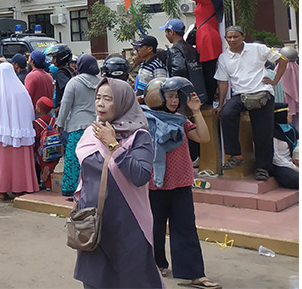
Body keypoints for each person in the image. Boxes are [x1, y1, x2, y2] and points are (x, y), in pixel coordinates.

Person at [73, 78, 159, 288]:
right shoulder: (91, 132)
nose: (100, 103)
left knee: (131, 280)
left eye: (108, 99)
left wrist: (113, 144)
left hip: (128, 222)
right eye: (98, 98)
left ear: (122, 102)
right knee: (95, 280)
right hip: (95, 222)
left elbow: (140, 175)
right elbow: (87, 174)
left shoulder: (139, 136)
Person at [147, 77, 219, 289]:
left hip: (181, 183)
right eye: (169, 96)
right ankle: (157, 264)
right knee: (154, 228)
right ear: (156, 97)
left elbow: (203, 138)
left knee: (186, 228)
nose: (174, 100)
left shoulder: (180, 119)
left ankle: (195, 273)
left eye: (176, 96)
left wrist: (196, 111)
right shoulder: (146, 120)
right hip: (154, 184)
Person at [213, 26, 286, 181]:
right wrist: (220, 104)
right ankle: (236, 154)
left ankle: (263, 168)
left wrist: (275, 80)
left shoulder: (258, 49)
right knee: (226, 114)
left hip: (262, 92)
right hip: (241, 95)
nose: (232, 40)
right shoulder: (224, 57)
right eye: (229, 37)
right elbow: (223, 82)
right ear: (225, 38)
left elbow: (282, 59)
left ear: (243, 36)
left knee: (262, 133)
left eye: (235, 37)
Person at [0, 64, 38, 199]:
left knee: (3, 163)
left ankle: (2, 190)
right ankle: (20, 188)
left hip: (1, 135)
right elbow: (29, 112)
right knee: (20, 162)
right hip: (20, 133)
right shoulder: (21, 91)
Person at [55, 55, 101, 198]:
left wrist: (59, 124)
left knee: (74, 158)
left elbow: (65, 105)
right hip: (96, 126)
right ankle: (91, 189)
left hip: (76, 126)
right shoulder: (102, 82)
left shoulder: (74, 82)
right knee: (93, 159)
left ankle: (72, 190)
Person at [185, 0, 224, 99]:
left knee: (209, 71)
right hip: (206, 34)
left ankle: (209, 98)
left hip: (207, 36)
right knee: (208, 70)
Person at [162, 18, 208, 103]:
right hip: (199, 93)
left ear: (171, 32)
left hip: (185, 96)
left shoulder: (175, 50)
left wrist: (174, 89)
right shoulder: (191, 48)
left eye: (166, 32)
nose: (165, 35)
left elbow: (178, 70)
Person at [33, 97, 60, 191]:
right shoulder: (54, 121)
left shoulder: (37, 123)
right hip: (55, 147)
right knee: (53, 163)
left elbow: (36, 136)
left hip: (42, 149)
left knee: (44, 164)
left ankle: (47, 184)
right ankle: (51, 175)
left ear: (39, 109)